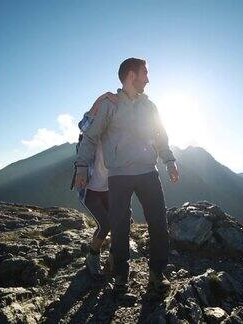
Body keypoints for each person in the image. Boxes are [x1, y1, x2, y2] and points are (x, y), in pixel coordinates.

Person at [74, 58, 179, 295]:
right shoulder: (110, 104)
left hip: (148, 172)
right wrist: (81, 167)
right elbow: (90, 136)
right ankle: (121, 276)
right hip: (119, 175)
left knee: (159, 224)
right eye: (145, 74)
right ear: (132, 75)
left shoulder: (149, 106)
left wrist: (169, 160)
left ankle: (156, 274)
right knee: (120, 227)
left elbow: (161, 134)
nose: (148, 79)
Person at [72, 92, 119, 279]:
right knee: (106, 224)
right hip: (90, 189)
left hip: (109, 189)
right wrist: (101, 99)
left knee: (120, 223)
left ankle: (113, 260)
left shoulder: (115, 134)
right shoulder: (91, 133)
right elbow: (83, 124)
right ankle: (93, 256)